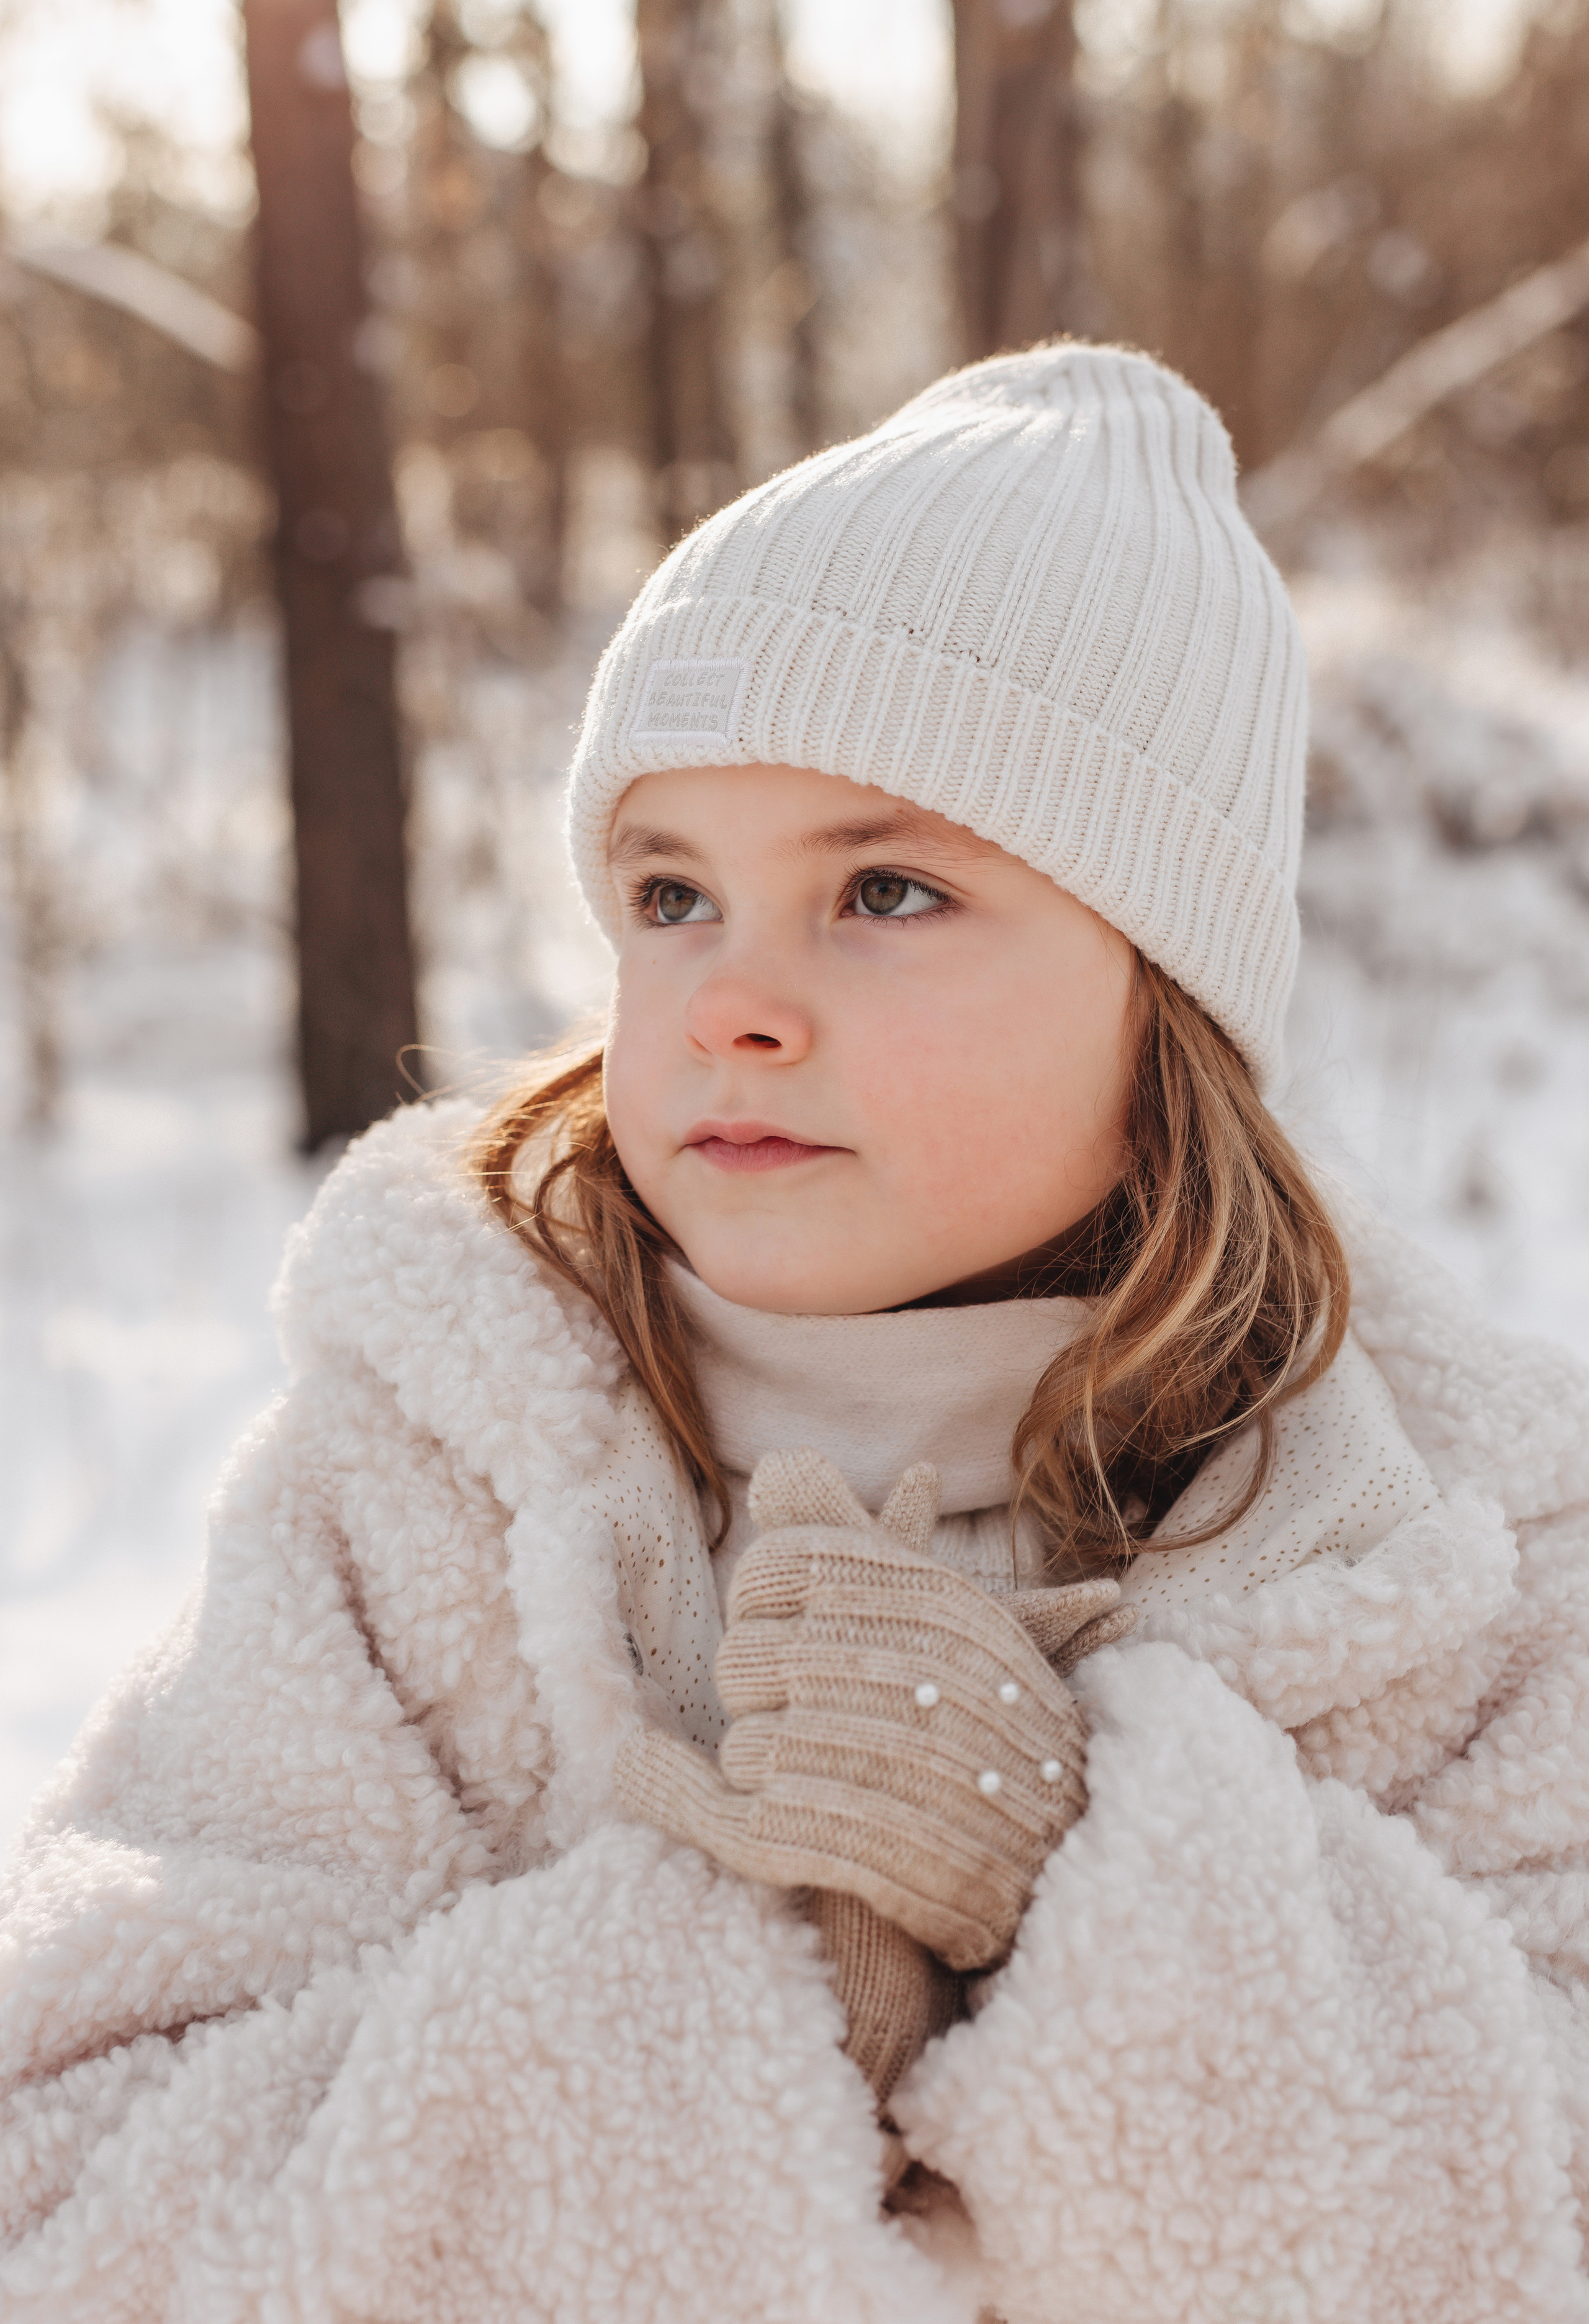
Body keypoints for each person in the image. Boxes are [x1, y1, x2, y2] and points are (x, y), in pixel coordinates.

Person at [5, 344, 1589, 2324]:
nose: (730, 1002)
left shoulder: (1465, 1562)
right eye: (674, 891)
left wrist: (1091, 1883)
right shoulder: (424, 1501)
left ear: (1160, 998)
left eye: (888, 888)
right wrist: (763, 1987)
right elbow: (67, 2197)